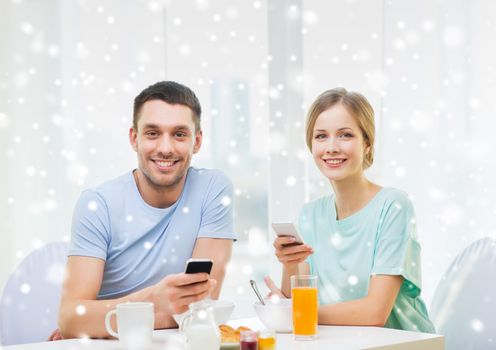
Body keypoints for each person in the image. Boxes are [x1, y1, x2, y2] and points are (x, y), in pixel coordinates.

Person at [57, 81, 236, 339]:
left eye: (179, 134)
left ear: (197, 141)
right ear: (134, 138)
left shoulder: (213, 189)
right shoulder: (97, 204)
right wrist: (152, 300)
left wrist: (101, 320)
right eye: (153, 133)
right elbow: (71, 319)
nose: (165, 148)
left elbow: (200, 307)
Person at [265, 87, 435, 333]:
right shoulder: (310, 214)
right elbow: (296, 299)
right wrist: (289, 263)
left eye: (345, 135)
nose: (331, 147)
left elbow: (375, 312)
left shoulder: (393, 205)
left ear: (367, 143)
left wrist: (297, 312)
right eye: (321, 136)